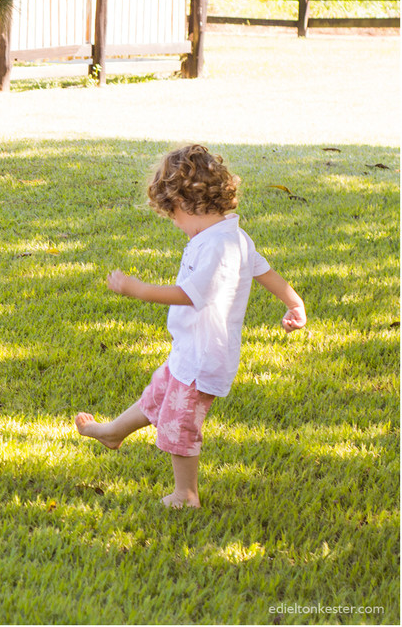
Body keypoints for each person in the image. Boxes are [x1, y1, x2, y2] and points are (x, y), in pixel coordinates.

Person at [74, 144, 306, 508]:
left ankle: (186, 494)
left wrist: (138, 289)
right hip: (191, 349)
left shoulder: (216, 245)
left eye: (174, 216)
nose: (177, 225)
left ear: (185, 204)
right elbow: (265, 271)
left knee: (179, 424)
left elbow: (191, 293)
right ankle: (113, 432)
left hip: (203, 359)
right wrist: (294, 302)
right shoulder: (229, 235)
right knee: (157, 395)